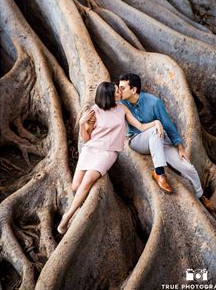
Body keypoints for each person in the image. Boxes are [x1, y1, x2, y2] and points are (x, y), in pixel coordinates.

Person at [57, 82, 163, 234]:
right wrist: (82, 123)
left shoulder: (122, 108)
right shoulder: (94, 111)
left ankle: (67, 217)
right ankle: (79, 204)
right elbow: (87, 138)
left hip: (108, 153)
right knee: (75, 186)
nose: (119, 92)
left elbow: (140, 126)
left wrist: (156, 122)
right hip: (91, 149)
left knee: (86, 182)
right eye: (116, 91)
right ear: (108, 96)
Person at [118, 73, 216, 214]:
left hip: (160, 140)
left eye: (122, 88)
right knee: (155, 131)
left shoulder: (153, 102)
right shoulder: (121, 103)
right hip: (138, 140)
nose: (119, 91)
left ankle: (201, 196)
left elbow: (167, 124)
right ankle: (159, 173)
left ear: (133, 90)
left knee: (188, 167)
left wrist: (180, 147)